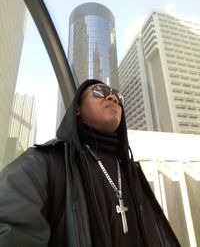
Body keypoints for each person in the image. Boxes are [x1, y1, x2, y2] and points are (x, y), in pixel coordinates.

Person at [0, 79, 181, 247]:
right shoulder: (45, 162)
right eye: (98, 92)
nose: (112, 97)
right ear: (77, 108)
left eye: (117, 96)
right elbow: (10, 228)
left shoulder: (132, 172)